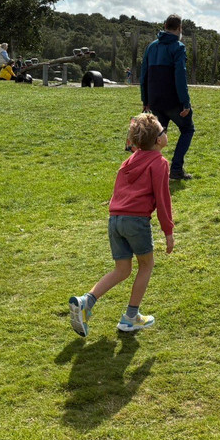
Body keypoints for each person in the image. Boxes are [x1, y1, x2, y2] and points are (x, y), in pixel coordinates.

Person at [69, 113, 175, 336]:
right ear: (158, 140)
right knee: (146, 265)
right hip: (136, 221)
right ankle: (130, 318)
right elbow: (163, 199)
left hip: (115, 219)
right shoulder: (160, 163)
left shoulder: (129, 161)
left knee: (122, 269)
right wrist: (168, 231)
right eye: (163, 130)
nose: (166, 132)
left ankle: (86, 302)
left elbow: (118, 192)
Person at [141, 14, 195, 182]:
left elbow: (144, 75)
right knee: (187, 130)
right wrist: (185, 103)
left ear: (164, 25)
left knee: (155, 137)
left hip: (155, 100)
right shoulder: (178, 47)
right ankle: (176, 169)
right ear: (179, 29)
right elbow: (180, 76)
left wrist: (145, 100)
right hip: (173, 101)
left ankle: (147, 170)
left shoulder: (151, 47)